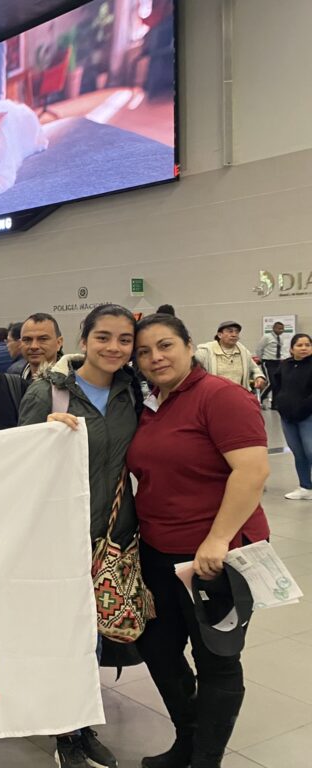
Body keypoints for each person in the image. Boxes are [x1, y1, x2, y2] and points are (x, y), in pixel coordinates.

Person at [127, 313, 270, 768]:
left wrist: (218, 539)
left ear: (190, 346)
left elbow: (252, 471)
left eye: (165, 345)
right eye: (144, 352)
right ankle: (186, 741)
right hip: (158, 551)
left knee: (216, 659)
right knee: (157, 647)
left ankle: (206, 759)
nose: (155, 357)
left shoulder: (221, 396)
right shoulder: (153, 404)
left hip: (215, 556)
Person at [18, 304, 141, 768]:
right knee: (65, 637)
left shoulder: (133, 392)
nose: (114, 347)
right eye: (103, 337)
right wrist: (42, 435)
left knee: (93, 637)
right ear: (83, 340)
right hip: (61, 538)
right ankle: (66, 732)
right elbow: (19, 460)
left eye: (124, 339)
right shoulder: (49, 392)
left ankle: (82, 720)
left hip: (112, 536)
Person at [274, 333, 312, 500]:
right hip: (288, 417)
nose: (304, 348)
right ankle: (305, 487)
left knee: (310, 451)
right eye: (299, 345)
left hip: (308, 416)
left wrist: (304, 407)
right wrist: (279, 404)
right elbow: (277, 386)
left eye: (307, 345)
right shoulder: (285, 365)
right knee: (298, 452)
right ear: (291, 349)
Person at [194, 322, 266, 393]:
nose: (234, 335)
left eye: (237, 332)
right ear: (219, 335)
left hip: (239, 394)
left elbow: (254, 369)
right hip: (214, 395)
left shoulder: (243, 352)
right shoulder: (205, 352)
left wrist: (259, 377)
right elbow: (192, 372)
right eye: (230, 331)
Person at [19, 312, 64, 380]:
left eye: (43, 339)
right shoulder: (13, 382)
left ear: (58, 343)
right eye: (27, 340)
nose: (34, 346)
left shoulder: (76, 382)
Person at [255, 321, 287, 408]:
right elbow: (259, 348)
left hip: (277, 362)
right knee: (270, 383)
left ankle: (274, 404)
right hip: (268, 362)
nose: (281, 330)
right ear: (274, 328)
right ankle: (257, 400)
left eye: (282, 329)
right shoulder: (267, 337)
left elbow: (281, 350)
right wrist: (261, 359)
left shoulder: (280, 339)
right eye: (279, 328)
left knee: (277, 383)